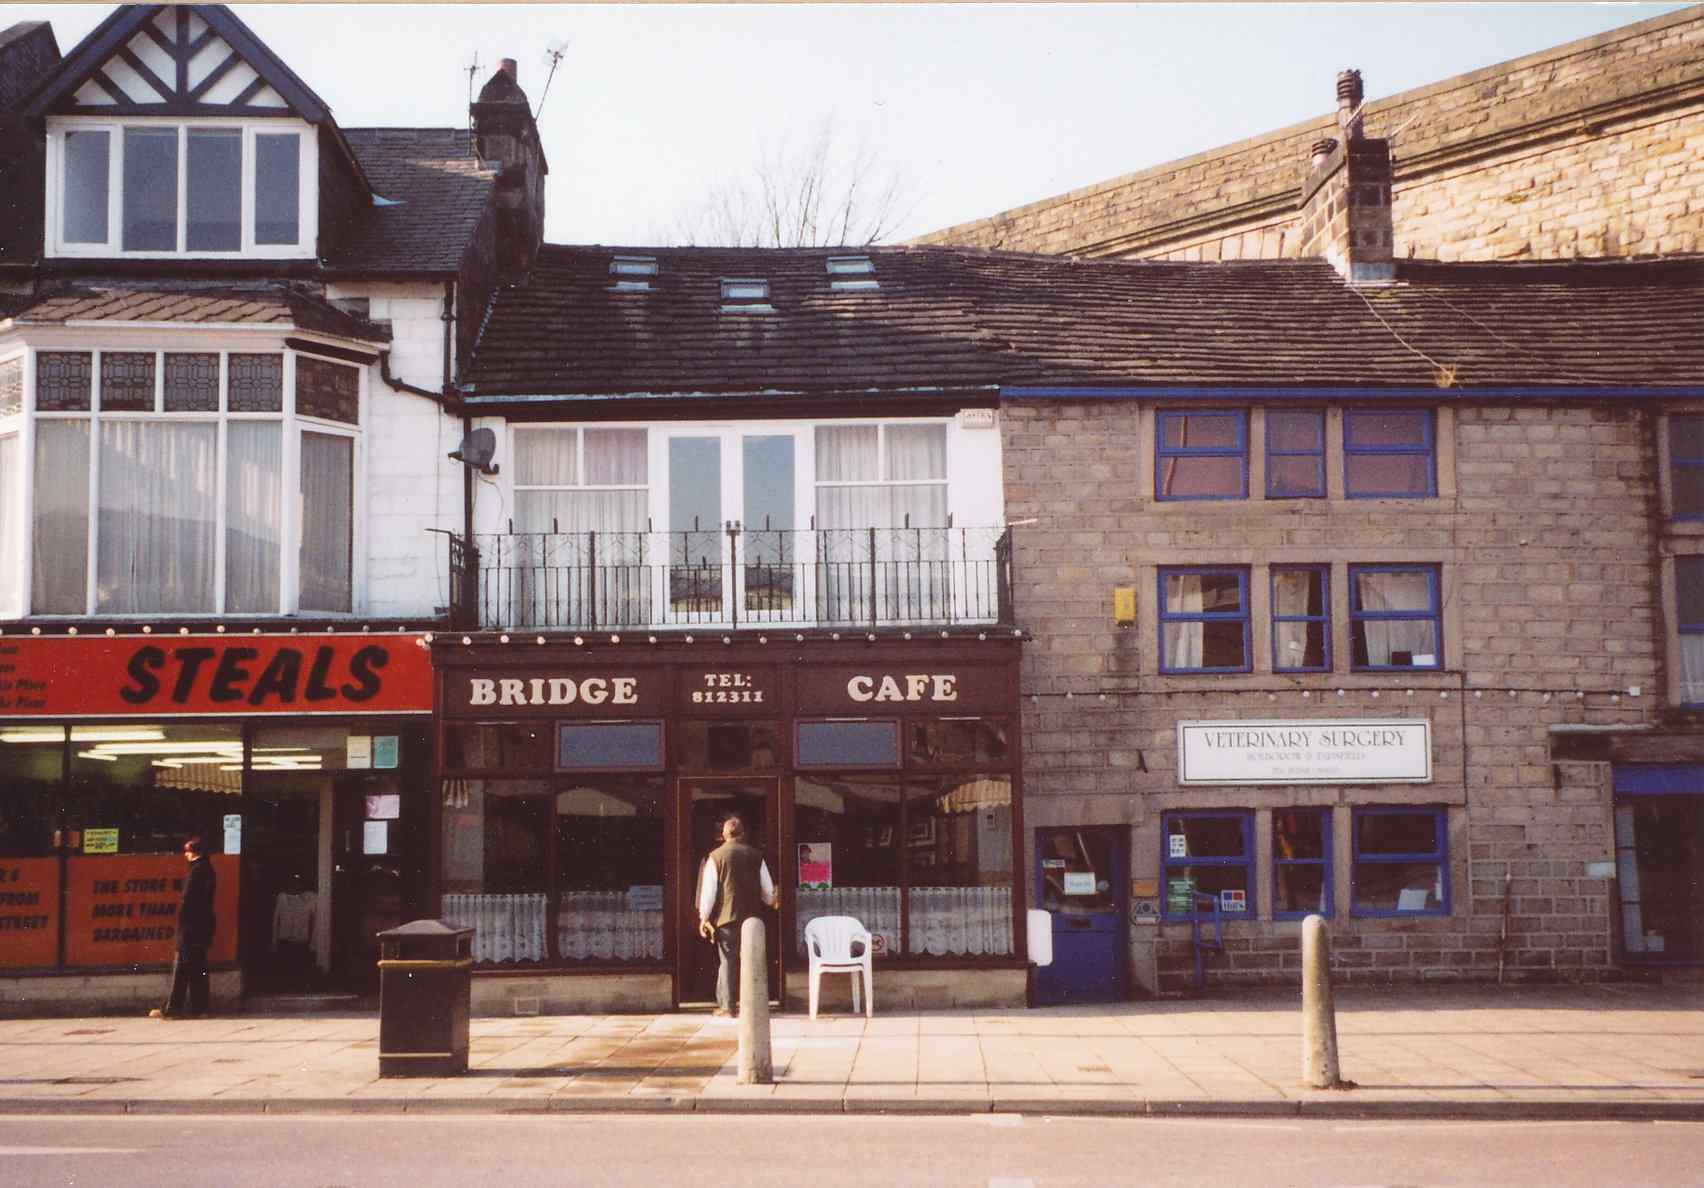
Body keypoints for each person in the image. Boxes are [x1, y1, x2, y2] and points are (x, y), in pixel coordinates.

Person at [696, 814, 777, 1018]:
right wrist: (771, 902)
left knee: (728, 962)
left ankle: (728, 1006)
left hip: (726, 919)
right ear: (742, 834)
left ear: (724, 834)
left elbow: (709, 893)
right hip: (753, 919)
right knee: (753, 961)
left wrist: (704, 918)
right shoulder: (756, 856)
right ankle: (755, 1005)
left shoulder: (715, 857)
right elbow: (767, 891)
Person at [151, 836, 217, 1019]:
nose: (185, 854)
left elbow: (187, 900)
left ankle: (173, 1008)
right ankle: (200, 1007)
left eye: (187, 851)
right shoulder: (208, 869)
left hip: (190, 928)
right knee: (198, 968)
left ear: (194, 852)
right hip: (203, 927)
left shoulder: (196, 870)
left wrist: (181, 920)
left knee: (181, 968)